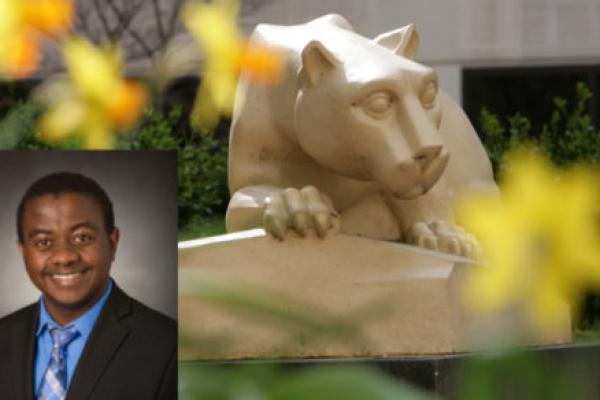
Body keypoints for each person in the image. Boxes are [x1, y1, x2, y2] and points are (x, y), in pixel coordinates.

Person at [0, 172, 177, 400]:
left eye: (82, 238)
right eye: (43, 242)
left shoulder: (168, 345)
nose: (64, 257)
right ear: (23, 252)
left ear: (112, 243)